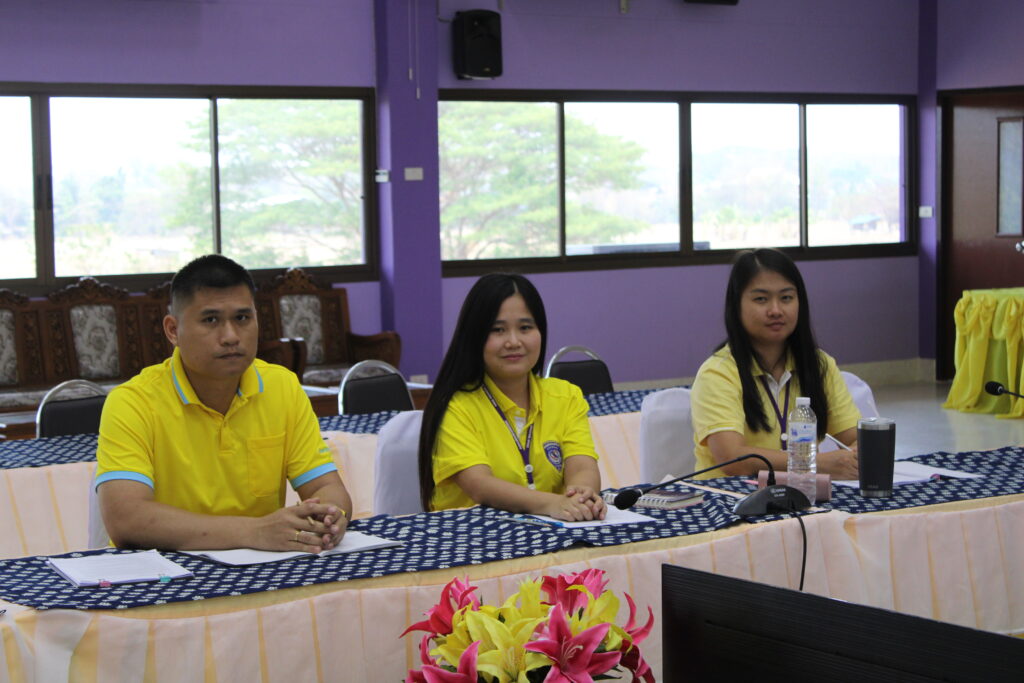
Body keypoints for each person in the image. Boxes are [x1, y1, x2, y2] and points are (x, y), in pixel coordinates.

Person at [95, 255, 352, 552]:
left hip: (263, 566)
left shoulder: (282, 387)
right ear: (173, 330)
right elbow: (127, 519)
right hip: (161, 572)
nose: (231, 336)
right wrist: (255, 532)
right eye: (210, 320)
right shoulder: (132, 402)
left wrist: (330, 517)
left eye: (242, 318)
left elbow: (326, 486)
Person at [417, 273, 606, 521]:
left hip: (552, 532)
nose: (514, 342)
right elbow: (479, 485)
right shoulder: (455, 406)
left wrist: (582, 495)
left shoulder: (565, 396)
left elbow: (582, 465)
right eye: (498, 330)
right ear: (474, 337)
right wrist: (553, 503)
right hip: (473, 535)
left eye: (525, 328)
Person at [690, 248, 861, 479]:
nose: (776, 310)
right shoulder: (718, 373)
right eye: (761, 299)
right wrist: (815, 463)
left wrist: (858, 454)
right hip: (729, 496)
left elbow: (855, 438)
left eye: (786, 298)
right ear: (736, 305)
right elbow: (733, 459)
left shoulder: (820, 365)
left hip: (801, 493)